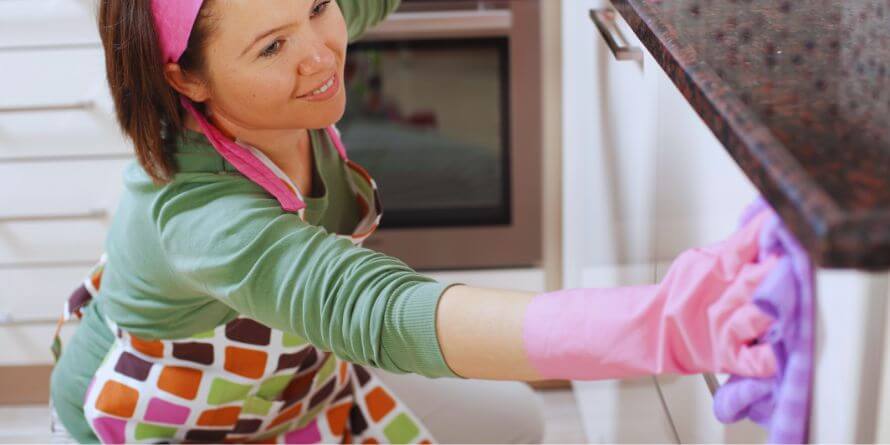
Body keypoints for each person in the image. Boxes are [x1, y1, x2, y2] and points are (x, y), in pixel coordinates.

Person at [49, 0, 778, 443]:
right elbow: (376, 309)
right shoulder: (199, 215)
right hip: (167, 421)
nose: (320, 55)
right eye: (271, 46)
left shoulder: (297, 36)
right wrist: (656, 325)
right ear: (187, 77)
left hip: (289, 380)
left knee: (517, 423)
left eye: (317, 8)